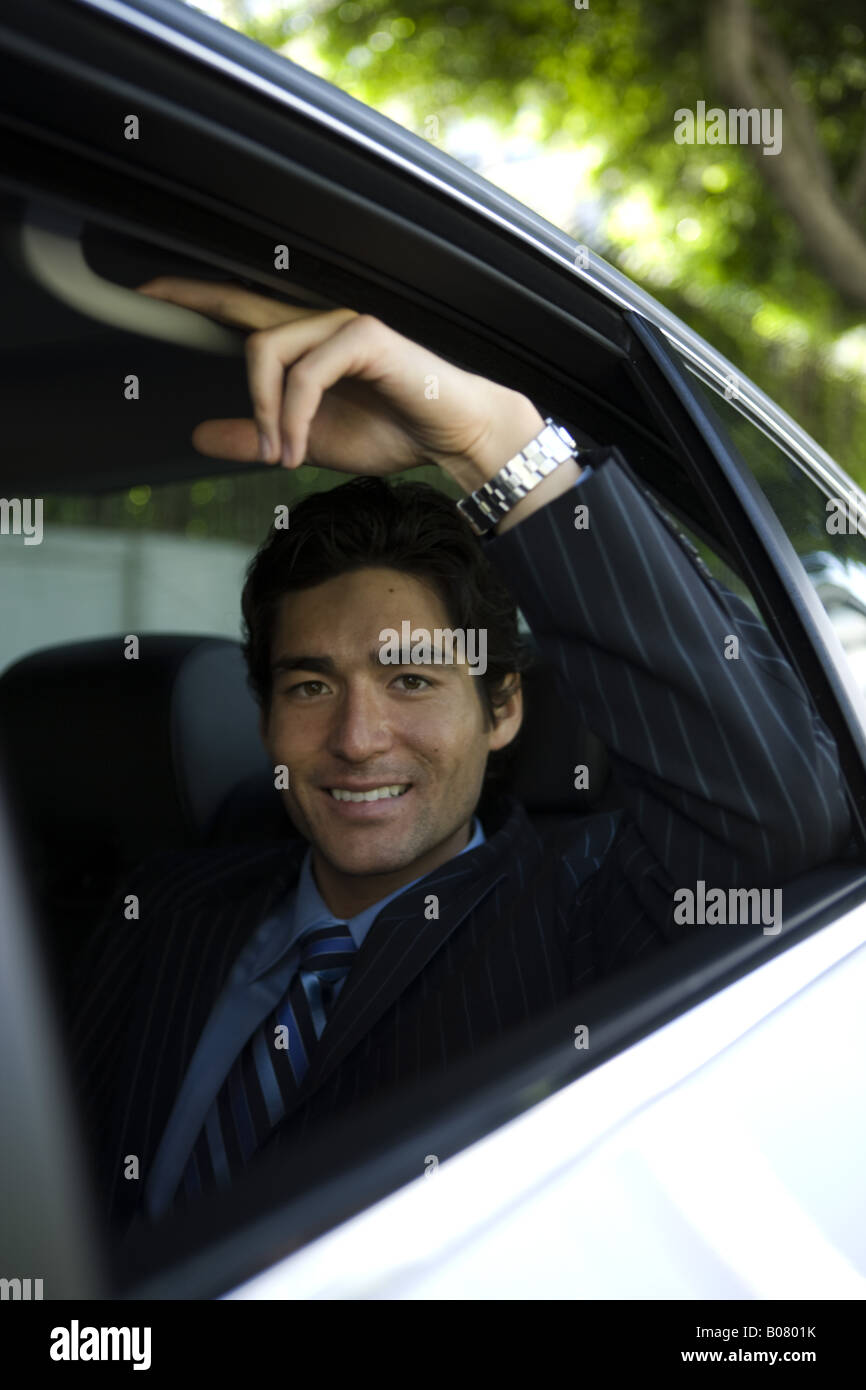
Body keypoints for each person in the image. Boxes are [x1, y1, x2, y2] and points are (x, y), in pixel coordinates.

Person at [66, 278, 850, 1238]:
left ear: (504, 706)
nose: (356, 740)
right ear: (264, 715)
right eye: (310, 687)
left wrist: (495, 444)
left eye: (411, 681)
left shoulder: (595, 914)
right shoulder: (167, 910)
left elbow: (779, 814)